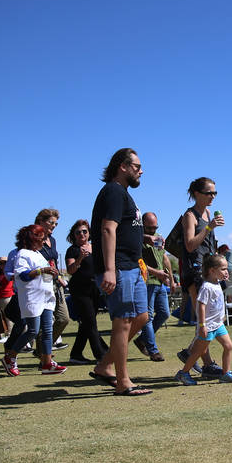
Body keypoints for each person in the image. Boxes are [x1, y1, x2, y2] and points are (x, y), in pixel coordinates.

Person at [87, 148, 153, 396]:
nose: (141, 171)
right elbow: (107, 229)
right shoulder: (113, 191)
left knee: (142, 318)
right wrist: (109, 270)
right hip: (120, 268)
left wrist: (144, 237)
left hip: (132, 266)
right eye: (137, 166)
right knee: (123, 322)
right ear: (122, 167)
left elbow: (121, 227)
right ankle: (123, 382)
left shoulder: (123, 194)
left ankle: (104, 365)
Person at [173, 177, 224, 377]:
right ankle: (207, 363)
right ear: (197, 194)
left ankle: (190, 353)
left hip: (208, 269)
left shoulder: (207, 213)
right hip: (194, 271)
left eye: (215, 193)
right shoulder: (190, 216)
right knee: (205, 317)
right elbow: (190, 245)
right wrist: (209, 227)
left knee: (211, 315)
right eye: (209, 193)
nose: (212, 196)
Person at [0, 225, 67, 376]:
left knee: (47, 331)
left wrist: (53, 273)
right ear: (33, 239)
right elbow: (22, 275)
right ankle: (10, 357)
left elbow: (44, 273)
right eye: (41, 238)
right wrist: (42, 270)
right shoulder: (22, 254)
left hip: (46, 297)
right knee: (32, 330)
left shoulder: (38, 254)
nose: (44, 242)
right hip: (32, 298)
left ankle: (47, 363)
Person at [174, 254, 232, 385]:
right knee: (197, 352)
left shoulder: (217, 283)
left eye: (226, 268)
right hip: (208, 326)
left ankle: (226, 374)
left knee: (228, 346)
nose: (226, 272)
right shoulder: (206, 287)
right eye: (223, 269)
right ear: (212, 271)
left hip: (218, 325)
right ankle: (183, 373)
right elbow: (200, 306)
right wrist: (202, 325)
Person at [64, 219, 109, 365]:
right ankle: (101, 354)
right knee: (90, 322)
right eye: (78, 232)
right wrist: (80, 259)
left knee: (86, 324)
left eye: (84, 231)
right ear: (74, 235)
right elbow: (71, 270)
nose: (81, 234)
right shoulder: (73, 250)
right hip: (80, 290)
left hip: (94, 289)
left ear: (89, 233)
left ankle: (76, 354)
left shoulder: (95, 247)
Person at [135, 212, 173, 361]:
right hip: (146, 282)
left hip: (160, 283)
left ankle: (142, 339)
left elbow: (163, 257)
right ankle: (153, 350)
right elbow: (138, 262)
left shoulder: (157, 237)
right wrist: (156, 272)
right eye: (149, 228)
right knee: (148, 317)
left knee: (164, 314)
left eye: (155, 227)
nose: (153, 230)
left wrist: (170, 277)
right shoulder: (137, 238)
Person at [35, 208, 70, 349]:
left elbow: (53, 262)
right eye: (51, 222)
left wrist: (60, 277)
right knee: (43, 322)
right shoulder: (34, 240)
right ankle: (44, 353)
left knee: (63, 319)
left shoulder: (52, 240)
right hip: (40, 284)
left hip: (55, 284)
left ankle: (43, 348)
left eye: (56, 224)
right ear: (40, 222)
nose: (54, 226)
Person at [0, 257, 14, 342]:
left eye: (4, 263)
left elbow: (3, 284)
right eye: (1, 263)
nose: (2, 265)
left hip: (7, 296)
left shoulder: (9, 273)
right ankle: (0, 335)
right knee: (0, 317)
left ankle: (9, 334)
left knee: (8, 316)